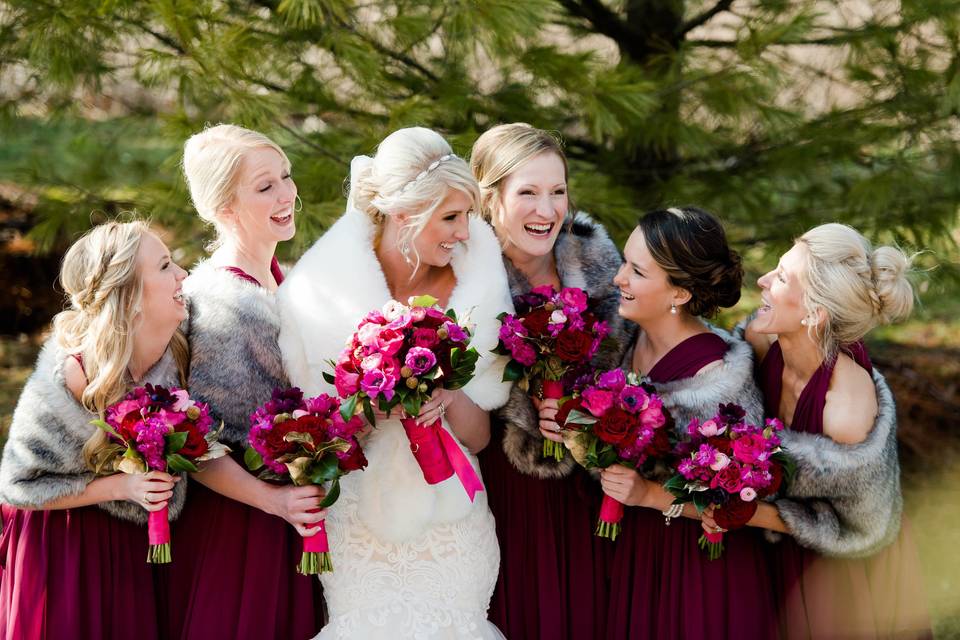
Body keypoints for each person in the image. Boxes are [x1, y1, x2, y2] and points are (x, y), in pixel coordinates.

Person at [277, 126, 512, 639]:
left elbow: (478, 438)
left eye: (467, 216)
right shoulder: (318, 293)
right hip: (362, 521)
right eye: (450, 217)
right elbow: (318, 440)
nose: (465, 232)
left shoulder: (479, 286)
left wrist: (447, 395)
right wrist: (374, 406)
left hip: (454, 517)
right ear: (405, 215)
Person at [718, 222, 932, 639]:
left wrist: (739, 512)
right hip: (775, 542)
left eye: (780, 277)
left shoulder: (847, 410)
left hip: (843, 564)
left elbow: (847, 529)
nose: (761, 280)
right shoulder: (761, 346)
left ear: (815, 314)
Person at [165, 124, 325, 639]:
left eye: (285, 176)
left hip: (289, 515)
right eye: (265, 187)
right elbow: (200, 440)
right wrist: (273, 500)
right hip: (242, 532)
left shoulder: (284, 280)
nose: (287, 194)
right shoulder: (223, 303)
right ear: (223, 207)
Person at [470, 122, 629, 639]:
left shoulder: (594, 256)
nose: (547, 210)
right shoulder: (469, 270)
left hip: (591, 476)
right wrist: (524, 398)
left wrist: (596, 410)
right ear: (489, 197)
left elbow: (631, 354)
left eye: (557, 191)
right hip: (505, 481)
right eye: (528, 193)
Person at [0, 221, 188, 639]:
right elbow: (17, 485)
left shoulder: (176, 343)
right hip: (63, 542)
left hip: (130, 536)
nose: (183, 275)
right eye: (165, 267)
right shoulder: (72, 374)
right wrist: (122, 488)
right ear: (131, 297)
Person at [600, 206, 777, 639]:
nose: (619, 278)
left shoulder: (717, 380)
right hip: (638, 553)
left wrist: (648, 493)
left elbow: (738, 504)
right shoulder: (629, 336)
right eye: (624, 261)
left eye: (636, 271)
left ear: (679, 294)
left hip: (698, 569)